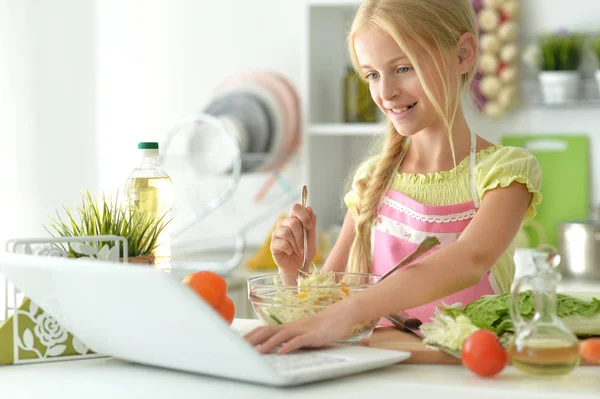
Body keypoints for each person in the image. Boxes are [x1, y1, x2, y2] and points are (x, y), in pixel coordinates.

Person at [245, 0, 541, 354]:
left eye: (403, 67)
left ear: (463, 54)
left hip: (469, 377)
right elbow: (325, 310)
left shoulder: (503, 173)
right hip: (380, 375)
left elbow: (469, 260)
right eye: (372, 74)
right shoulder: (372, 180)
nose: (385, 93)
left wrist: (355, 307)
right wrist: (296, 272)